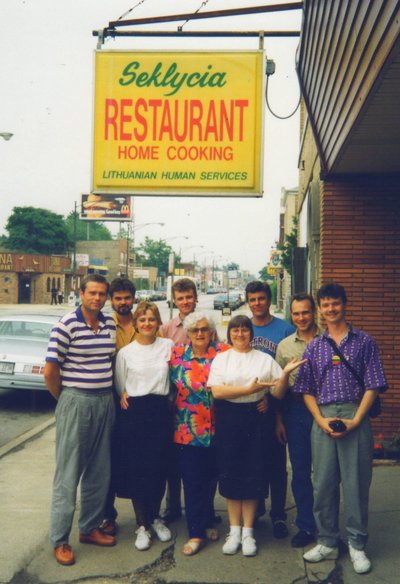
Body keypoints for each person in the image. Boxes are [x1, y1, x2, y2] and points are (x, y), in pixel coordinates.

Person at [294, 283, 387, 575]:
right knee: (322, 482)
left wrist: (357, 420)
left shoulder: (364, 342)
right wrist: (320, 420)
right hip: (322, 417)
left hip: (355, 414)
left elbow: (373, 384)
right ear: (320, 309)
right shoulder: (315, 346)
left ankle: (357, 545)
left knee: (356, 482)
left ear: (345, 305)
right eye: (325, 305)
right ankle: (327, 541)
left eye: (335, 303)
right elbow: (306, 389)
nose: (330, 309)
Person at [208, 315, 304, 557]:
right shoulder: (221, 359)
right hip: (229, 420)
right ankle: (234, 530)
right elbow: (218, 391)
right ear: (229, 334)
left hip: (256, 420)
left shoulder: (264, 359)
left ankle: (248, 531)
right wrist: (250, 390)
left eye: (244, 330)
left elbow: (278, 394)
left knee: (252, 473)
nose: (240, 334)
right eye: (235, 330)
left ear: (252, 333)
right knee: (231, 474)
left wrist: (284, 376)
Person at [44, 274, 117, 567]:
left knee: (100, 471)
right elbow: (50, 371)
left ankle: (88, 528)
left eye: (102, 294)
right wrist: (65, 400)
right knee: (68, 473)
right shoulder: (66, 325)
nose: (97, 298)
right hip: (76, 400)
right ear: (81, 293)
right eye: (92, 293)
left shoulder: (109, 323)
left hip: (105, 400)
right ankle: (60, 540)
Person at [115, 301, 174, 551]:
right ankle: (142, 524)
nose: (147, 323)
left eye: (151, 319)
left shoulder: (168, 347)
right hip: (135, 414)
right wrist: (124, 394)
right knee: (138, 469)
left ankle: (156, 517)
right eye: (142, 319)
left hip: (160, 410)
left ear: (158, 322)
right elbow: (121, 385)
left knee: (159, 467)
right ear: (136, 324)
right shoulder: (126, 353)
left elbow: (175, 378)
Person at [170, 312, 230, 556]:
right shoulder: (176, 355)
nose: (200, 334)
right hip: (187, 430)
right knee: (193, 481)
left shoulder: (224, 353)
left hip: (219, 428)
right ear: (188, 333)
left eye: (205, 329)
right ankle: (196, 533)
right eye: (195, 330)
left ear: (211, 332)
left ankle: (206, 519)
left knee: (211, 478)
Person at [160, 277, 219, 523]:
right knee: (175, 463)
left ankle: (206, 510)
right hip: (177, 401)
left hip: (203, 401)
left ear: (196, 298)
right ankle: (173, 507)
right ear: (175, 300)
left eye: (188, 297)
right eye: (180, 298)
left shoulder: (206, 324)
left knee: (204, 466)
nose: (185, 302)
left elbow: (217, 353)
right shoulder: (167, 329)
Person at [245, 280, 295, 539]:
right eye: (252, 299)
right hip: (248, 407)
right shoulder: (244, 329)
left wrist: (276, 410)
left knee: (276, 464)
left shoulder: (285, 330)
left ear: (268, 299)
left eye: (261, 298)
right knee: (253, 462)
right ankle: (257, 509)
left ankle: (278, 515)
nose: (257, 303)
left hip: (276, 404)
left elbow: (287, 375)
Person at [275, 293, 321, 547]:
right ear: (290, 315)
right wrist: (279, 420)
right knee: (301, 471)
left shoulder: (327, 338)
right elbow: (279, 390)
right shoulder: (284, 346)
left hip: (326, 408)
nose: (301, 317)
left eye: (305, 312)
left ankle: (328, 526)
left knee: (326, 473)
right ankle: (306, 525)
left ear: (313, 312)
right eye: (296, 313)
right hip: (296, 410)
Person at [100, 277, 137, 537]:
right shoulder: (103, 326)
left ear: (133, 298)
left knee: (139, 458)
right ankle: (107, 516)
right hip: (112, 400)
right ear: (111, 300)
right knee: (107, 460)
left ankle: (146, 516)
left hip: (141, 401)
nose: (123, 303)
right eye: (118, 298)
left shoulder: (146, 323)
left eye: (127, 297)